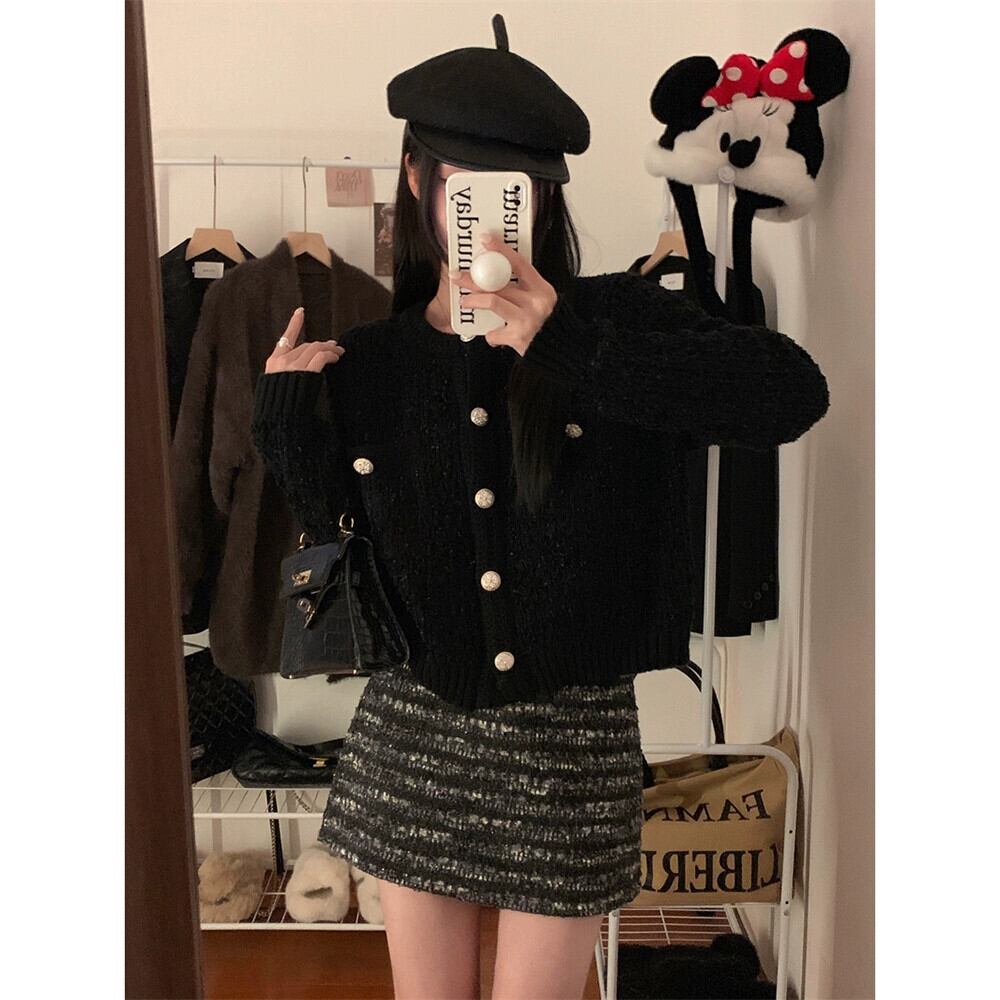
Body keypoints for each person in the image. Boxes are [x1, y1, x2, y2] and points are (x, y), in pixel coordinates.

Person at [249, 14, 830, 1000]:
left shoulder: (615, 322)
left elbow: (791, 394)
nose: (482, 214)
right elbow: (341, 554)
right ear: (414, 178)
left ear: (545, 196)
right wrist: (285, 424)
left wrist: (565, 347)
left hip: (571, 751)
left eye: (511, 190)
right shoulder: (370, 363)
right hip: (415, 742)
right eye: (462, 185)